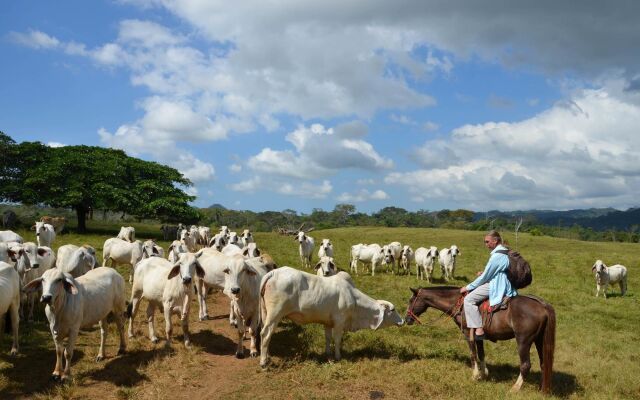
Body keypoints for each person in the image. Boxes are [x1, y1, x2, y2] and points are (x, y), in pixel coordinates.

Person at [460, 230, 517, 340]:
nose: (485, 244)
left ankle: (479, 328)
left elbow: (484, 278)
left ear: (495, 241)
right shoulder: (505, 251)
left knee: (468, 300)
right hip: (505, 282)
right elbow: (495, 271)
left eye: (487, 242)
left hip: (497, 284)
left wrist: (467, 287)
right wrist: (484, 273)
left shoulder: (497, 256)